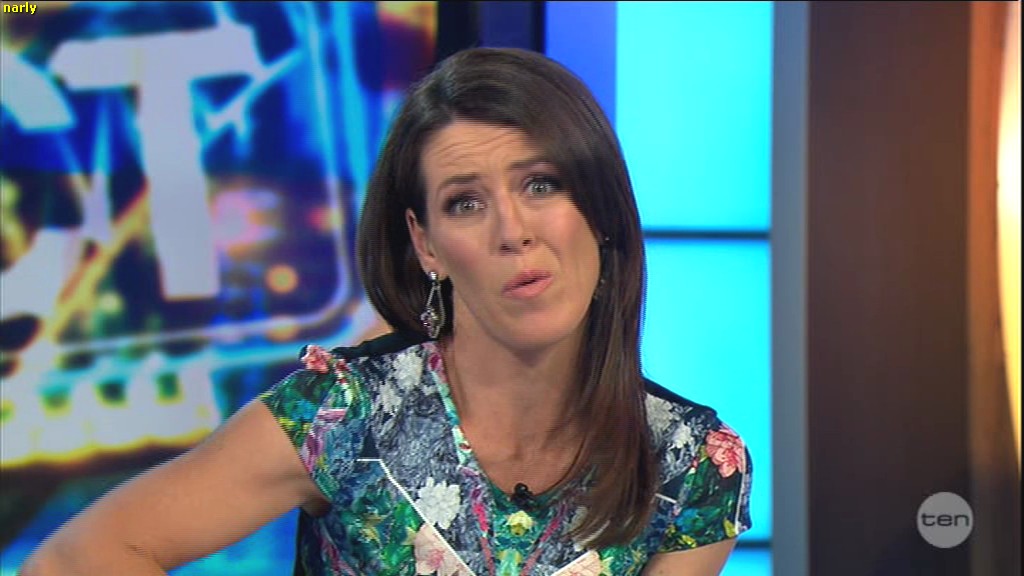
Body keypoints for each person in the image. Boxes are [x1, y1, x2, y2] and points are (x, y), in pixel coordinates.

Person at [21, 47, 752, 576]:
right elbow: (76, 560)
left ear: (599, 210)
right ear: (426, 245)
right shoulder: (347, 413)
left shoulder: (692, 467)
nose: (513, 231)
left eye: (540, 185)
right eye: (465, 203)